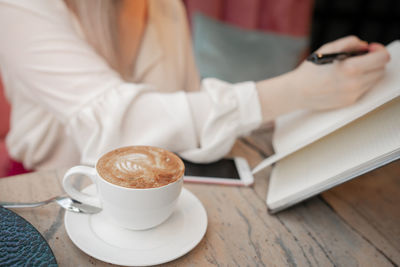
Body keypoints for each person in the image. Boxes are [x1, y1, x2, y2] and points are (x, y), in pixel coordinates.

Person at [0, 0, 390, 170]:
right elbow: (118, 124)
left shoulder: (163, 5)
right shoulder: (19, 6)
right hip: (52, 191)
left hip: (152, 185)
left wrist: (319, 93)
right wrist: (296, 90)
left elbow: (185, 108)